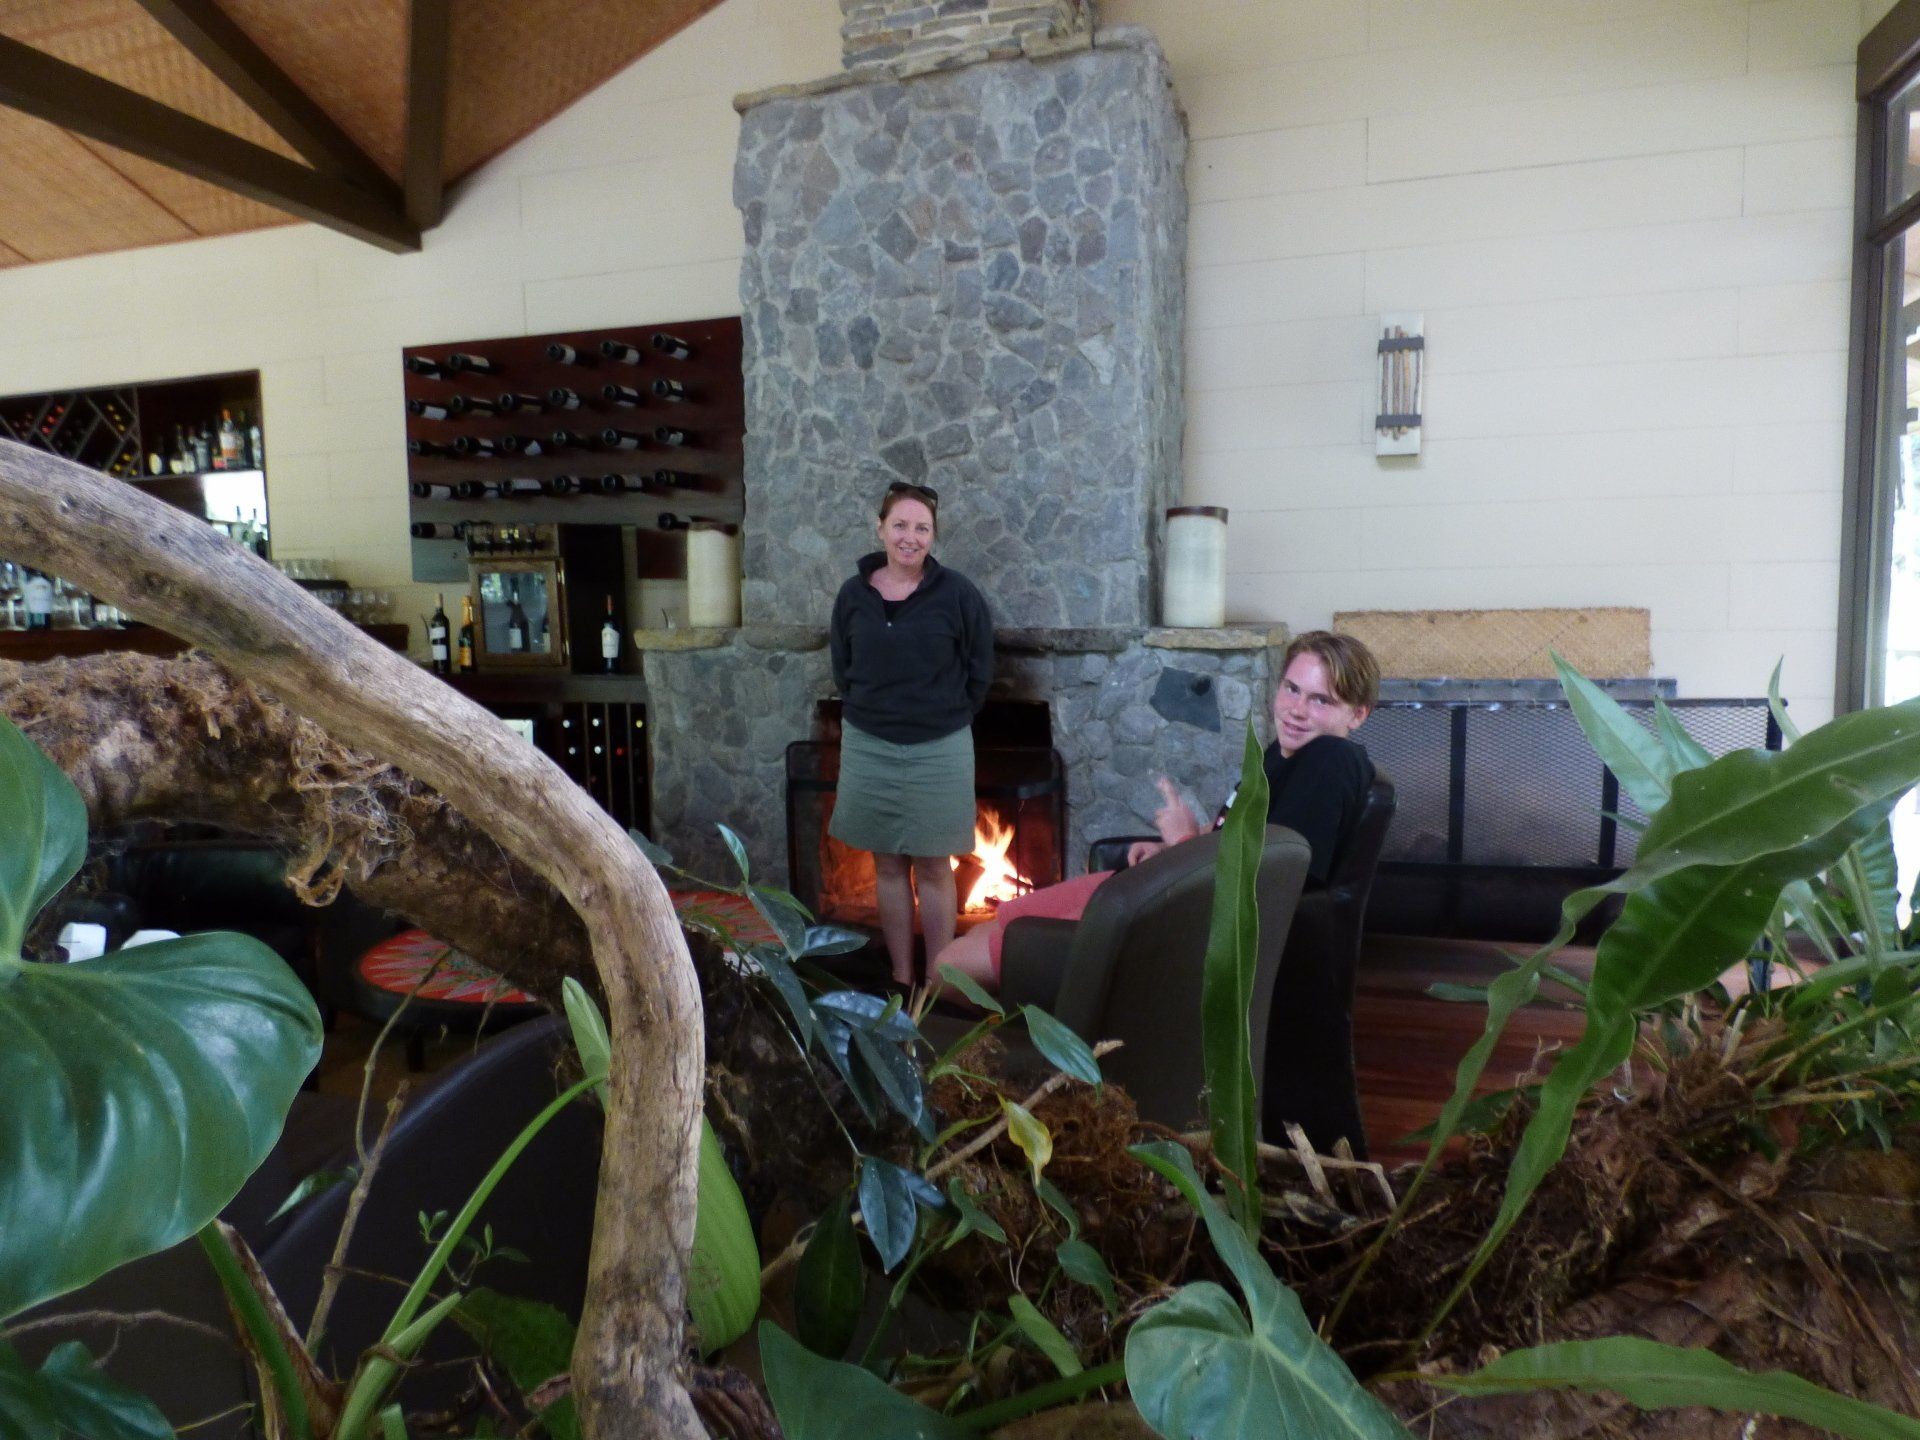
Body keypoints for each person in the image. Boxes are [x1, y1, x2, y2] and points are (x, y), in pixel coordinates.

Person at [934, 630, 1379, 990]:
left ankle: (1060, 1055)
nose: (1296, 710)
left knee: (948, 967)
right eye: (1292, 689)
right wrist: (1180, 846)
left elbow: (1272, 883)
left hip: (1183, 921)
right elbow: (1247, 838)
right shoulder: (1284, 756)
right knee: (980, 932)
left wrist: (1185, 843)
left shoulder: (1330, 762)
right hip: (1169, 892)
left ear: (1357, 714)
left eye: (1321, 700)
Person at [829, 482, 995, 988]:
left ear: (933, 536)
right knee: (886, 865)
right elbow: (842, 666)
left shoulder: (958, 594)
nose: (910, 537)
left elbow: (980, 669)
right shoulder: (854, 595)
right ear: (880, 528)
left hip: (940, 747)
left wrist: (943, 716)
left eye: (921, 528)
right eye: (900, 525)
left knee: (935, 867)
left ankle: (939, 982)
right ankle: (902, 978)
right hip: (869, 743)